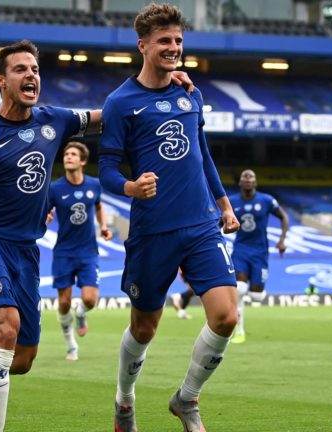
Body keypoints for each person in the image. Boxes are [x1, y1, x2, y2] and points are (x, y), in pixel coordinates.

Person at [0, 40, 193, 432]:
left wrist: (160, 82)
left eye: (35, 69)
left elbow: (111, 114)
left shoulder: (54, 119)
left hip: (27, 250)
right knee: (5, 329)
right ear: (0, 80)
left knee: (22, 358)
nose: (31, 75)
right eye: (20, 70)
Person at [98, 4, 241, 431]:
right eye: (164, 41)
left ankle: (187, 398)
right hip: (152, 231)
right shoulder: (120, 103)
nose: (174, 48)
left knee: (226, 316)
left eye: (178, 40)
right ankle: (125, 401)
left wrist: (224, 205)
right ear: (143, 46)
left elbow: (203, 156)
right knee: (144, 329)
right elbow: (105, 169)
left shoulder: (190, 93)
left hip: (200, 225)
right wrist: (130, 187)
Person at [47, 141, 113, 361]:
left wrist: (103, 226)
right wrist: (43, 220)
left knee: (90, 299)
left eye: (74, 154)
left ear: (83, 161)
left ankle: (82, 314)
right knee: (64, 302)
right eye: (66, 154)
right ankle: (71, 346)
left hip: (88, 252)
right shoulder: (55, 188)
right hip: (63, 252)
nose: (68, 157)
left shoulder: (94, 185)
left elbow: (98, 206)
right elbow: (46, 212)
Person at [228, 169, 289, 343]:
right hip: (240, 249)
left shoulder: (266, 200)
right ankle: (239, 331)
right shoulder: (232, 201)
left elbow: (283, 217)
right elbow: (219, 223)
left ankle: (254, 293)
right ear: (240, 183)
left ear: (255, 182)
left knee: (256, 296)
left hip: (260, 252)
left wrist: (282, 240)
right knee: (239, 288)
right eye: (244, 178)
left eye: (251, 178)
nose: (247, 180)